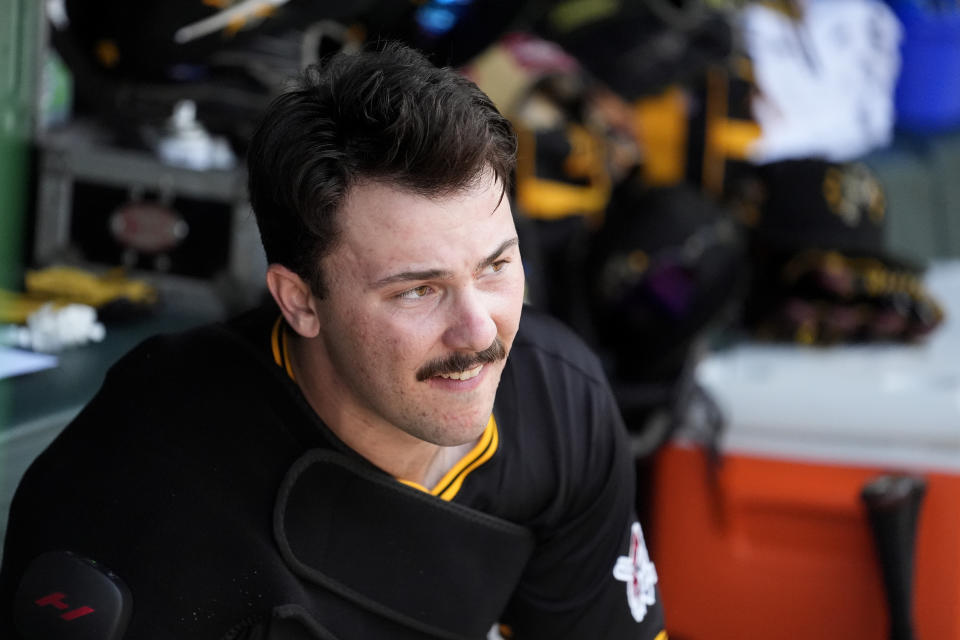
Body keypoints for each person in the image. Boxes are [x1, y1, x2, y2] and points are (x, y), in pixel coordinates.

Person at [0, 43, 665, 639]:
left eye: (496, 267)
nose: (481, 331)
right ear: (300, 301)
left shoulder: (560, 405)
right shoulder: (143, 474)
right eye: (418, 290)